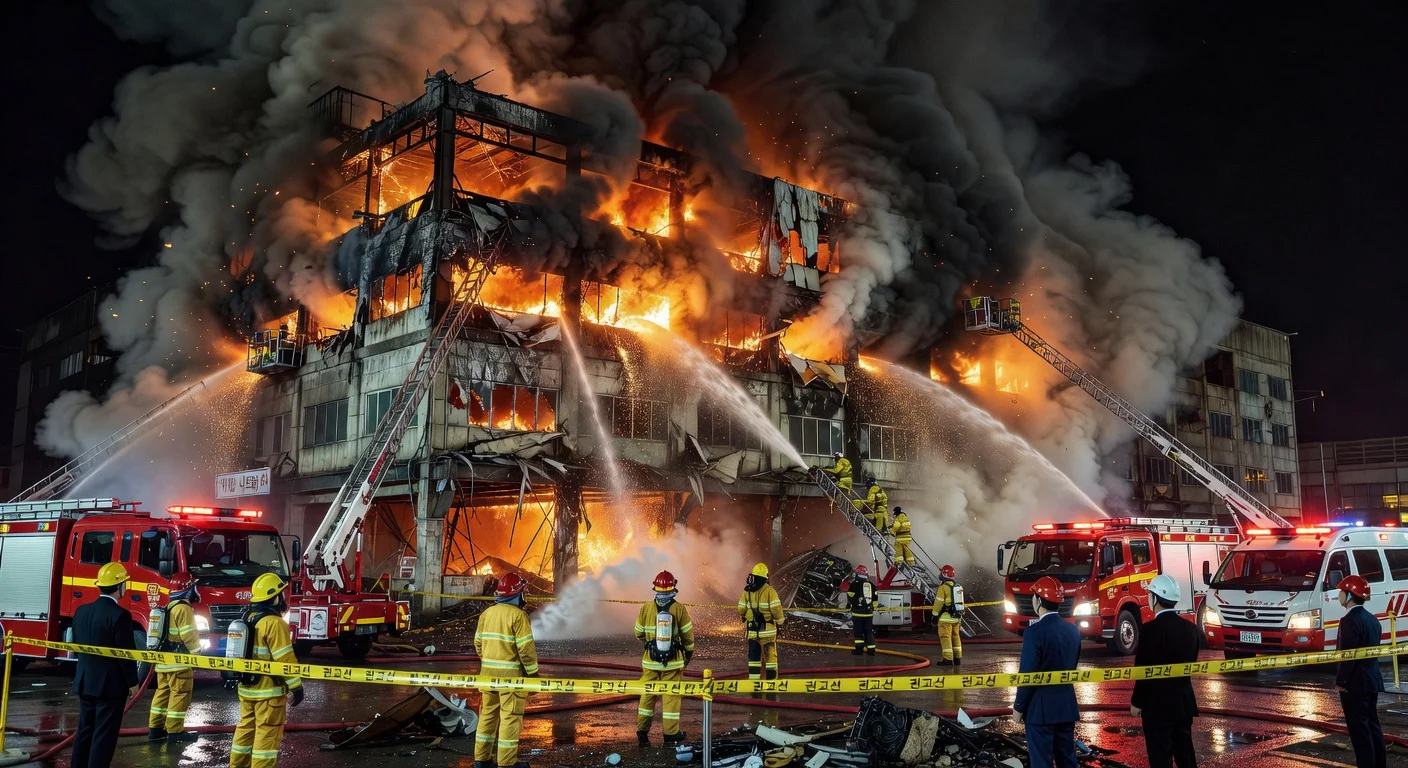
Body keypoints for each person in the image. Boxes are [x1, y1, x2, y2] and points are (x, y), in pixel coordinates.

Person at [70, 562, 140, 768]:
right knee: (104, 737)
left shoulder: (82, 611)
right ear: (120, 587)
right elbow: (125, 653)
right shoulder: (120, 615)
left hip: (85, 682)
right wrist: (132, 682)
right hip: (110, 687)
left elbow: (76, 645)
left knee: (85, 731)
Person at [231, 574, 303, 768]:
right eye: (281, 594)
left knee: (245, 729)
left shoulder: (249, 618)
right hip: (269, 693)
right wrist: (296, 685)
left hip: (247, 689)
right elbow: (285, 659)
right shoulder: (274, 623)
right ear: (275, 597)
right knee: (267, 733)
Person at [1129, 574, 1200, 768]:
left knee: (1160, 757)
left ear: (1154, 598)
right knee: (1186, 755)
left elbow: (1142, 671)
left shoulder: (1149, 630)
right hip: (1183, 703)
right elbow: (1191, 663)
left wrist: (1136, 702)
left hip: (1156, 706)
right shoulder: (1191, 629)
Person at [1013, 575, 1080, 768]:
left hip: (1039, 712)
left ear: (1039, 601)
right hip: (1066, 708)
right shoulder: (1073, 631)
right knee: (1067, 760)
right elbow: (1072, 666)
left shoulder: (1034, 632)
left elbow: (1028, 674)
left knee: (1041, 762)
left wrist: (1019, 706)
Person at [475, 572, 539, 768]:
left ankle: (481, 760)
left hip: (487, 678)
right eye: (522, 592)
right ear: (516, 594)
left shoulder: (486, 614)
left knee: (487, 717)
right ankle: (507, 763)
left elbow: (478, 644)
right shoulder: (519, 616)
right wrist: (533, 674)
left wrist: (489, 661)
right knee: (510, 719)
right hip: (511, 681)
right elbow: (526, 651)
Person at [635, 571, 695, 747]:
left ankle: (642, 734)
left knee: (647, 696)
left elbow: (638, 633)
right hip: (672, 664)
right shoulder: (679, 609)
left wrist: (649, 644)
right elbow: (688, 638)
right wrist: (687, 656)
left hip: (650, 662)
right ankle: (670, 735)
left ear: (655, 587)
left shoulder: (645, 608)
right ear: (673, 588)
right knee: (671, 698)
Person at [1334, 575, 1386, 768]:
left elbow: (1348, 657)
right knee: (1373, 728)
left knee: (1360, 733)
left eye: (1341, 591)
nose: (1339, 595)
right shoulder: (1372, 619)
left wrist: (1342, 681)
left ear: (1349, 595)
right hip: (1372, 681)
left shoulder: (1348, 621)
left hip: (1355, 684)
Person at [149, 572, 202, 742]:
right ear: (187, 589)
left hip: (163, 663)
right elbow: (189, 635)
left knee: (162, 693)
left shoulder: (169, 606)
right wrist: (196, 654)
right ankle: (175, 731)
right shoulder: (183, 608)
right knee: (180, 694)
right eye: (193, 586)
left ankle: (155, 728)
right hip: (179, 664)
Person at [737, 563, 784, 680]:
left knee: (754, 658)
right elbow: (776, 609)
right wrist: (780, 620)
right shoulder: (770, 591)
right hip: (767, 631)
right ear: (766, 576)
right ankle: (771, 681)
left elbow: (741, 608)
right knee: (770, 657)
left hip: (753, 631)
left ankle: (754, 682)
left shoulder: (747, 591)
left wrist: (745, 616)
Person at [933, 564, 964, 667]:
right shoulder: (959, 587)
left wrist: (934, 615)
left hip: (945, 619)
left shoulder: (943, 588)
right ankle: (957, 659)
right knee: (956, 637)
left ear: (943, 574)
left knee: (945, 638)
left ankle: (947, 660)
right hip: (956, 619)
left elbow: (939, 603)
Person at [842, 565, 876, 655]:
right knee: (868, 631)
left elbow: (850, 598)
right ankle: (871, 650)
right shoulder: (872, 585)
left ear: (857, 574)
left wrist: (850, 605)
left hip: (858, 614)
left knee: (858, 632)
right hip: (869, 614)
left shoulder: (854, 585)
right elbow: (875, 599)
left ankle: (859, 649)